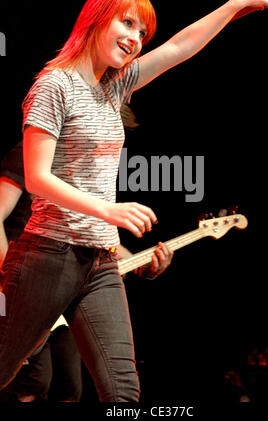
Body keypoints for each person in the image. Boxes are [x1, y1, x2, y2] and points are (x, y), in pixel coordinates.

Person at [0, 0, 268, 402]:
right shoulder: (53, 86)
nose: (135, 39)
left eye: (142, 32)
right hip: (46, 257)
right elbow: (36, 178)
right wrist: (107, 211)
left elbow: (179, 48)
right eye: (126, 23)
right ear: (95, 19)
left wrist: (236, 4)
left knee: (123, 394)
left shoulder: (113, 86)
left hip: (101, 263)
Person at [0, 139, 172, 402]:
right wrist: (6, 274)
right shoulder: (31, 150)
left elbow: (94, 234)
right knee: (31, 380)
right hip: (32, 274)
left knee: (76, 389)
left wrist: (141, 261)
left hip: (80, 277)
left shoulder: (89, 165)